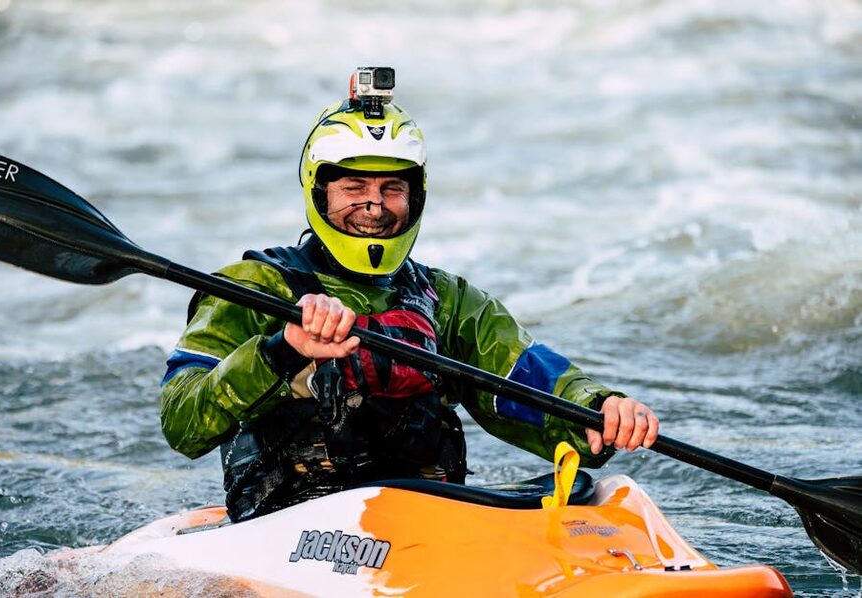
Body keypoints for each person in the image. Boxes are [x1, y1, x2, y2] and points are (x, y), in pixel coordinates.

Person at [160, 68, 659, 522]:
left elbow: (528, 377)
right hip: (284, 527)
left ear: (415, 195)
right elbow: (183, 423)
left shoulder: (447, 299)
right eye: (353, 186)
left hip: (425, 523)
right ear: (320, 192)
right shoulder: (253, 288)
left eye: (392, 187)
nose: (374, 205)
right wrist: (282, 349)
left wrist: (600, 409)